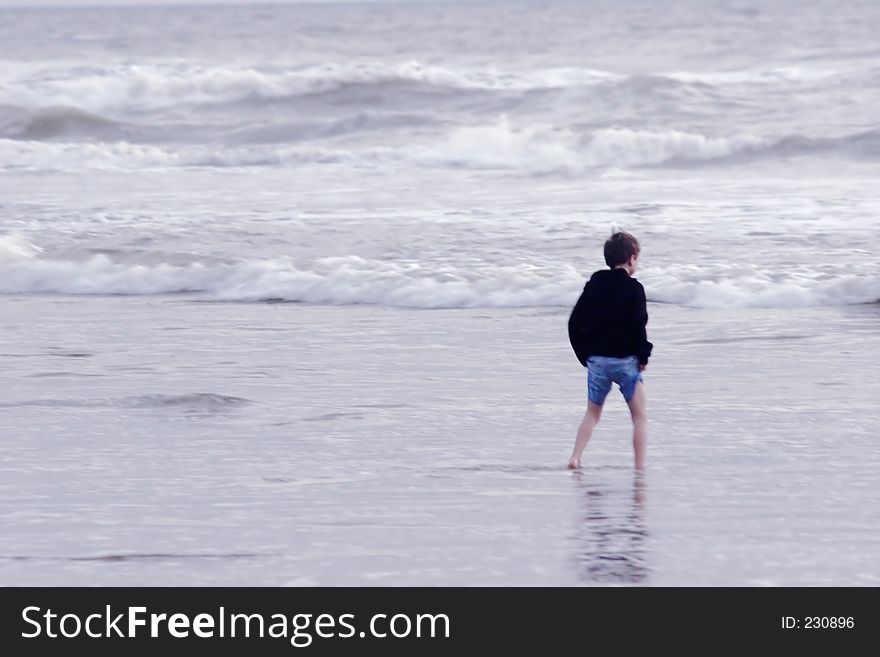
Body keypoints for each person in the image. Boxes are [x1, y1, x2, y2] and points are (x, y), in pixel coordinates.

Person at [567, 230, 653, 470]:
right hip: (625, 361)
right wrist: (643, 356)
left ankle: (575, 457)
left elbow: (574, 322)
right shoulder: (634, 289)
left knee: (592, 413)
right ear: (632, 258)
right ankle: (639, 468)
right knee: (639, 416)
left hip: (597, 361)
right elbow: (638, 325)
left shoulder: (594, 284)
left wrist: (584, 355)